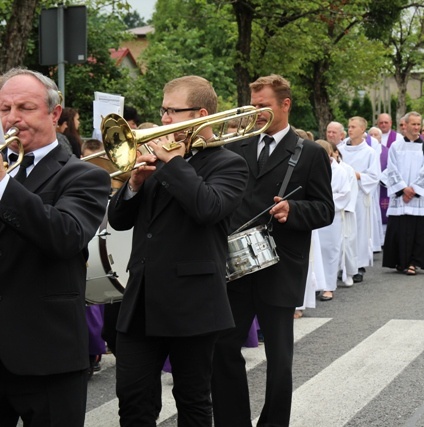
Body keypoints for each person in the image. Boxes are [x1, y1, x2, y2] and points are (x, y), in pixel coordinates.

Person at [108, 75, 248, 427]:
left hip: (194, 302)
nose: (164, 119)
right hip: (141, 298)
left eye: (172, 111)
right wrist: (134, 185)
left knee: (193, 400)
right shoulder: (158, 159)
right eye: (163, 109)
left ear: (200, 114)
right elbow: (119, 220)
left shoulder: (229, 163)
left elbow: (207, 208)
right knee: (133, 400)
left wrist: (173, 164)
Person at [211, 74, 333, 427]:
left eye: (263, 106)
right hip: (235, 266)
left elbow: (324, 209)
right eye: (253, 106)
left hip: (280, 266)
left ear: (285, 104)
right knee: (223, 347)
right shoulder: (236, 146)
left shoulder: (309, 153)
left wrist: (294, 211)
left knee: (280, 359)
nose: (257, 113)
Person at [0, 68, 111, 426]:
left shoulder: (84, 174)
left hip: (47, 355)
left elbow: (65, 236)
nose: (12, 118)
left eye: (25, 107)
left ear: (54, 114)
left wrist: (3, 185)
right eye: (4, 108)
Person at [383, 112, 424, 275]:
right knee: (400, 228)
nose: (417, 128)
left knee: (418, 230)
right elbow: (391, 169)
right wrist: (402, 189)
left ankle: (414, 262)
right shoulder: (396, 146)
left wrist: (414, 190)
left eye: (419, 124)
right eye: (413, 124)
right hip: (401, 196)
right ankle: (400, 261)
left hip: (417, 197)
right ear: (405, 125)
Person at [339, 116, 381, 283]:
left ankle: (357, 265)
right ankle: (341, 264)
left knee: (359, 231)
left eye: (354, 127)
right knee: (343, 231)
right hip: (343, 195)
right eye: (349, 126)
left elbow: (374, 176)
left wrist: (356, 175)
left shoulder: (369, 152)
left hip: (360, 197)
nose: (350, 129)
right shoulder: (341, 149)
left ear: (363, 130)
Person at [316, 139, 351, 301]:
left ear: (330, 153)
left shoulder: (340, 171)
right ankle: (315, 285)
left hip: (331, 216)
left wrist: (324, 201)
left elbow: (344, 194)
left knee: (330, 251)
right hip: (313, 215)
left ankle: (329, 287)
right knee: (315, 252)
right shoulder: (313, 168)